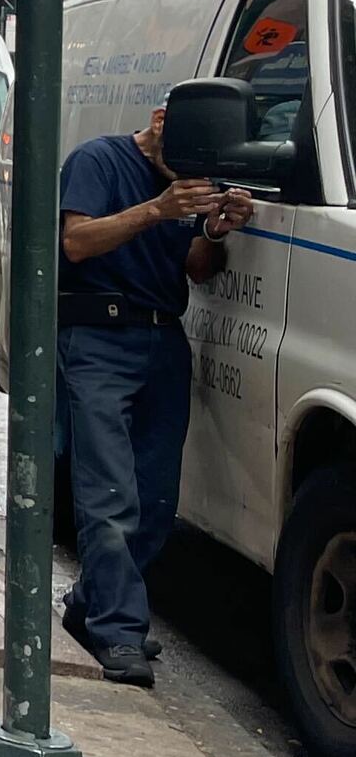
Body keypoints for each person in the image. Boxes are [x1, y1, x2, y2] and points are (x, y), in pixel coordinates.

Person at [56, 102, 253, 685]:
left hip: (164, 338)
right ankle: (118, 632)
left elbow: (196, 266)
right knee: (108, 491)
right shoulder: (99, 159)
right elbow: (75, 242)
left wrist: (214, 228)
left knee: (156, 499)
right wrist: (156, 210)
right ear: (161, 120)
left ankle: (90, 605)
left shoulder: (190, 179)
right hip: (98, 334)